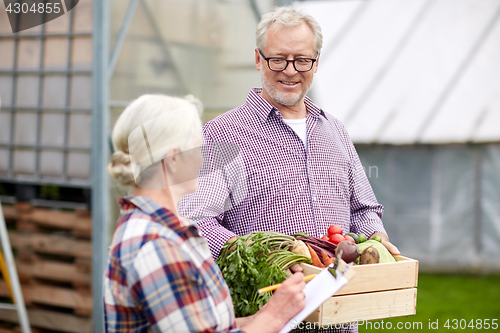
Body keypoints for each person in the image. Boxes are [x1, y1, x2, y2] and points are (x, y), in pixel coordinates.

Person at [179, 6, 399, 279]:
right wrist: (264, 256)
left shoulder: (335, 131)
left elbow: (362, 209)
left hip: (341, 310)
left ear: (316, 62)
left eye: (302, 60)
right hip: (267, 311)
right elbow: (196, 222)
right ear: (258, 59)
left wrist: (376, 239)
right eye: (279, 59)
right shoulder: (221, 135)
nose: (291, 71)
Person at [103, 94, 306, 333]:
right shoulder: (158, 244)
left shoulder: (164, 228)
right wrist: (275, 315)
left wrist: (255, 319)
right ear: (175, 158)